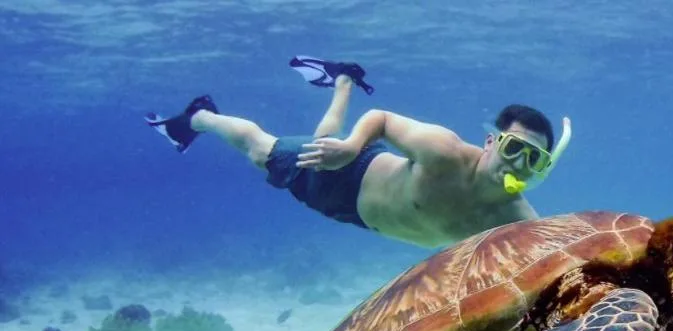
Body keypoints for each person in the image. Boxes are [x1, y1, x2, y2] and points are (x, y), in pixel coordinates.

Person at [145, 57, 572, 248]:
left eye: (533, 159)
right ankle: (199, 118)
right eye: (515, 148)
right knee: (262, 151)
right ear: (492, 142)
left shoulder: (518, 219)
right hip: (352, 174)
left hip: (361, 219)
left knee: (318, 141)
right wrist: (350, 148)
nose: (518, 163)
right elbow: (383, 119)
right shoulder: (444, 152)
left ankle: (341, 81)